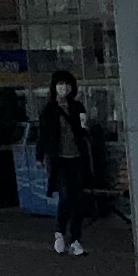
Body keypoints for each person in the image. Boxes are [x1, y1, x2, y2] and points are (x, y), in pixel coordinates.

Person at [33, 67, 105, 256]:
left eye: (67, 84)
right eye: (60, 84)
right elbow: (43, 135)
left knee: (78, 199)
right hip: (59, 160)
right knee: (66, 196)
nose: (64, 87)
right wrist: (39, 157)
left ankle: (75, 239)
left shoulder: (78, 107)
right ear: (54, 87)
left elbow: (82, 130)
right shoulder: (49, 110)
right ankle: (59, 233)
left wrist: (87, 131)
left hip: (77, 158)